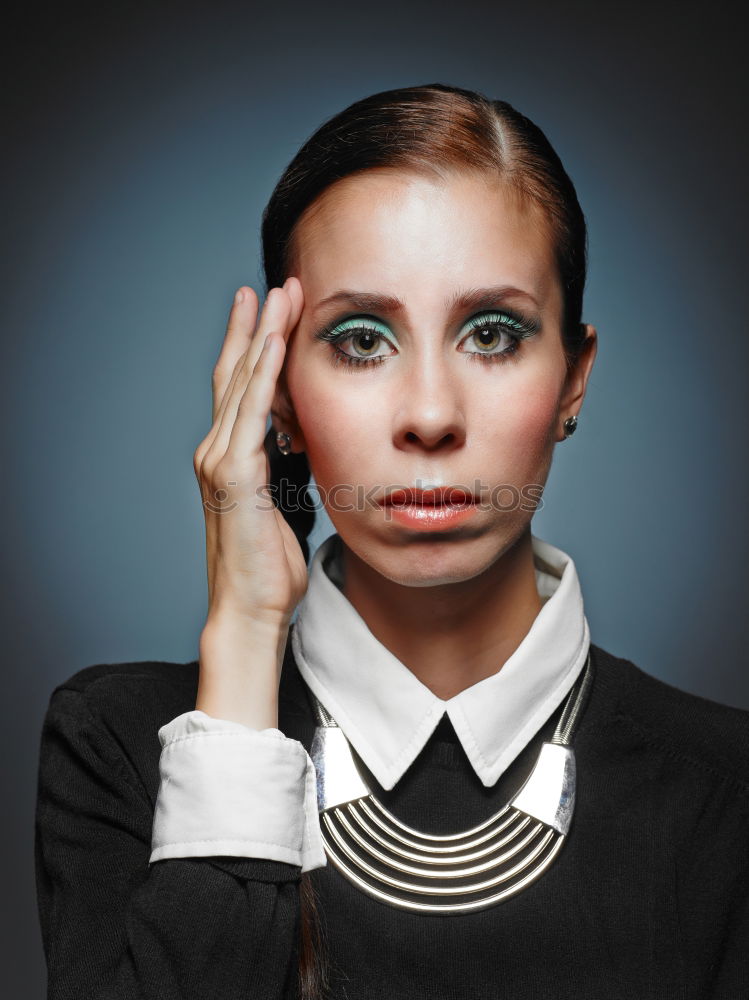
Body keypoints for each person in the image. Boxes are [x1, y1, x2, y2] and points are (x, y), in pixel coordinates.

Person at [34, 83, 749, 1000]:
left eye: (491, 334)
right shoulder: (123, 750)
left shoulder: (726, 794)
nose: (428, 415)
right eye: (362, 340)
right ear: (279, 395)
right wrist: (248, 630)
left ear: (573, 379)